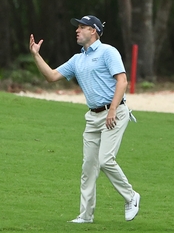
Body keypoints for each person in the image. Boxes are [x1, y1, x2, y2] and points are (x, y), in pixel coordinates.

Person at [29, 15, 140, 223]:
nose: (77, 31)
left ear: (94, 31)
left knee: (105, 160)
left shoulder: (108, 52)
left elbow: (122, 81)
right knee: (88, 167)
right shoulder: (77, 59)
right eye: (77, 27)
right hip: (93, 117)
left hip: (114, 112)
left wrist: (113, 109)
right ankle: (86, 215)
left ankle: (131, 196)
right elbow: (51, 77)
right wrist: (36, 55)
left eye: (82, 27)